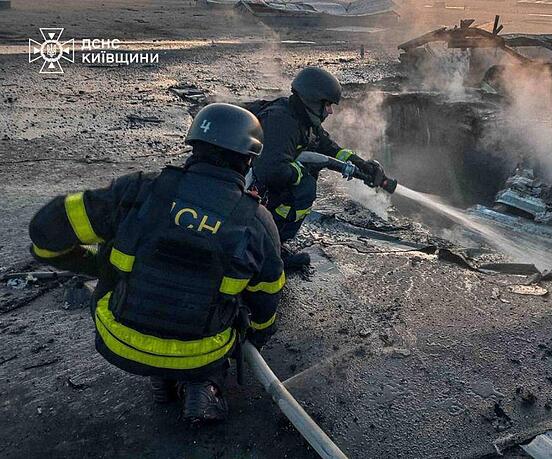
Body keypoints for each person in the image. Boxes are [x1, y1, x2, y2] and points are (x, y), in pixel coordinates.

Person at [28, 103, 285, 425]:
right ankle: (204, 388)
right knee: (235, 306)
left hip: (118, 339)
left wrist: (93, 265)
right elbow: (267, 297)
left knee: (128, 262)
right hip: (200, 353)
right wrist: (257, 335)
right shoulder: (257, 222)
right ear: (249, 160)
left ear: (194, 147)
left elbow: (45, 230)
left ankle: (160, 379)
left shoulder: (139, 190)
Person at [244, 67, 389, 270]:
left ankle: (272, 242)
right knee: (304, 187)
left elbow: (327, 146)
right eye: (327, 104)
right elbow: (270, 170)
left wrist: (360, 164)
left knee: (304, 182)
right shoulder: (281, 122)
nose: (330, 111)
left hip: (254, 179)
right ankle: (265, 248)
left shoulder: (302, 118)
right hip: (244, 183)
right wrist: (301, 172)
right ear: (313, 99)